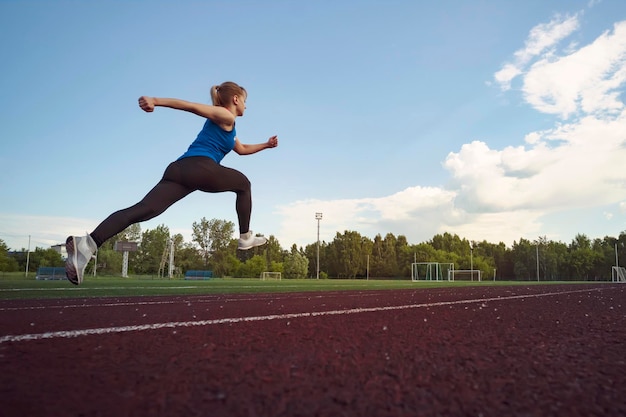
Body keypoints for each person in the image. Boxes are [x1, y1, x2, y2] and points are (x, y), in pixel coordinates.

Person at [65, 81, 278, 285]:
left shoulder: (228, 128)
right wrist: (155, 100)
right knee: (244, 184)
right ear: (235, 99)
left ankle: (88, 244)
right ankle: (245, 237)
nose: (246, 105)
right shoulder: (225, 115)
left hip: (179, 170)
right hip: (200, 167)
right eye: (244, 100)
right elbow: (191, 106)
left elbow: (242, 149)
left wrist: (266, 145)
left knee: (142, 210)